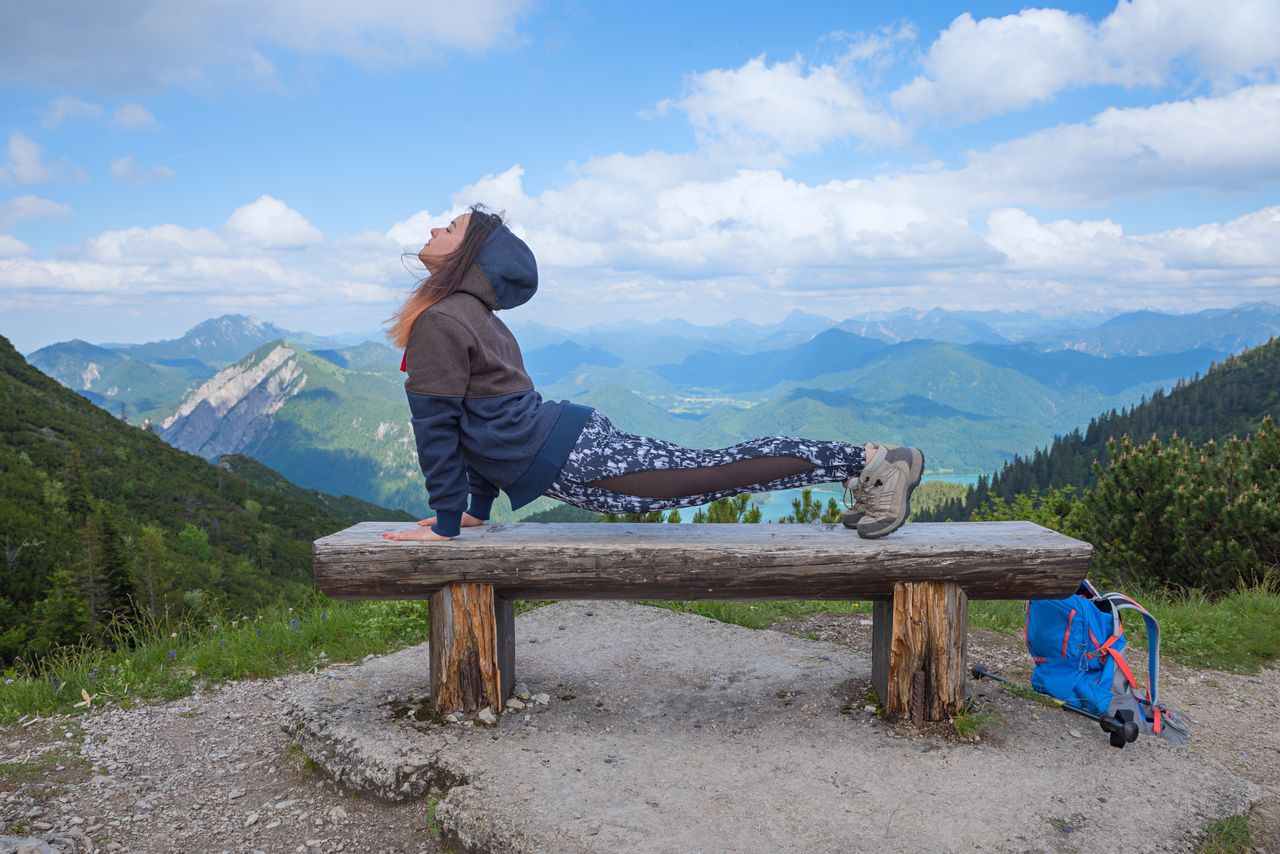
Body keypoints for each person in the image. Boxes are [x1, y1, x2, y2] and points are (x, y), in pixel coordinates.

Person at [380, 204, 923, 543]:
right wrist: (474, 509)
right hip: (571, 441)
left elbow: (440, 431)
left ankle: (870, 462)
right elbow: (480, 422)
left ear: (469, 255)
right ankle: (866, 464)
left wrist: (449, 522)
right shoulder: (472, 317)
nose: (433, 226)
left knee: (715, 473)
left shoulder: (445, 320)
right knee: (712, 470)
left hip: (570, 454)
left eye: (449, 226)